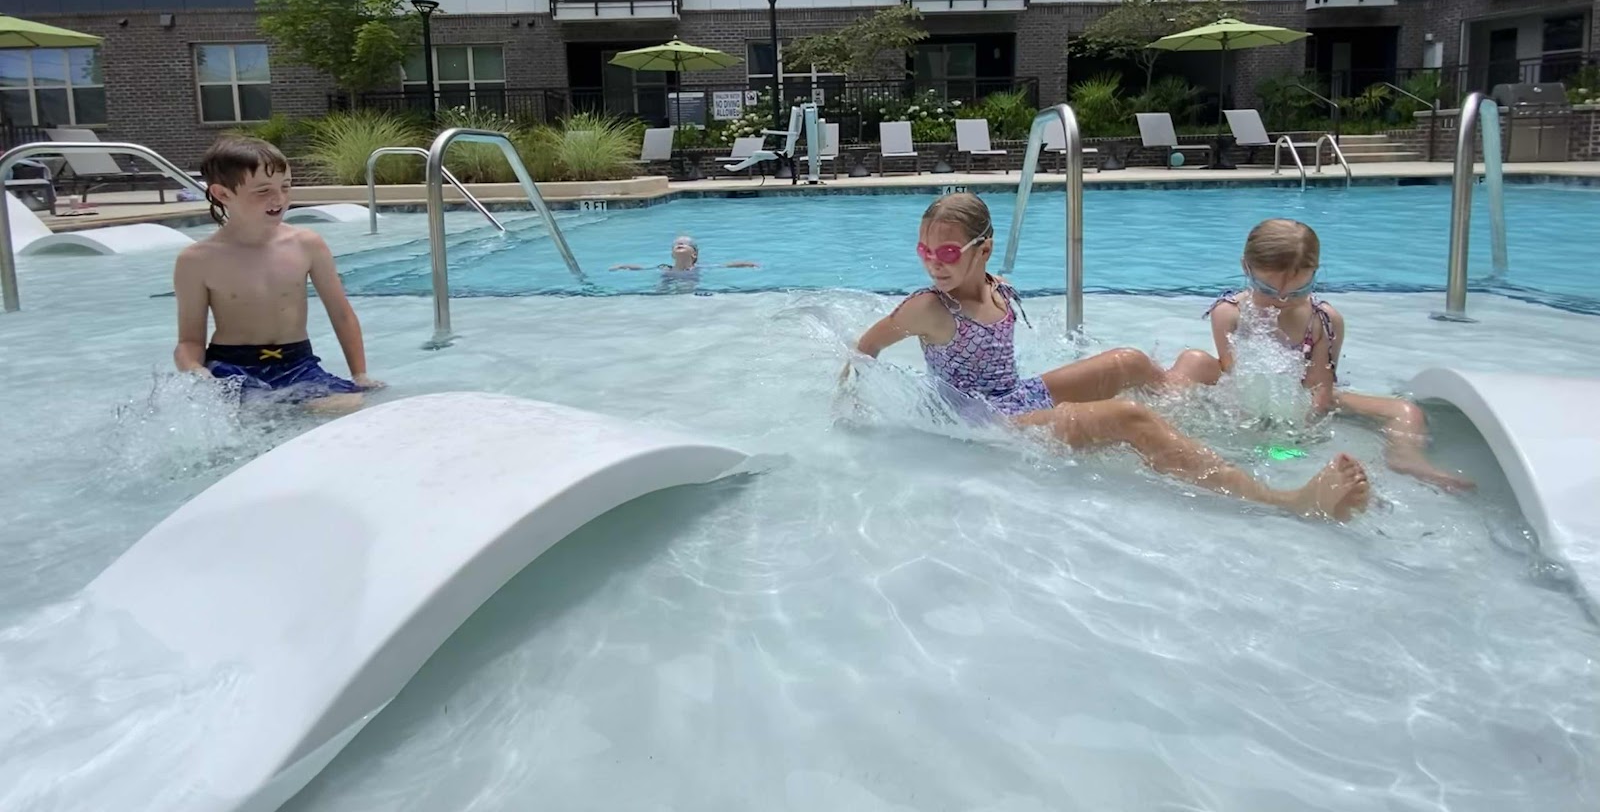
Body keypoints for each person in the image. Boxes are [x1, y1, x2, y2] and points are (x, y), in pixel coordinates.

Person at [849, 194, 1370, 521]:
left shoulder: (996, 286)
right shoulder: (928, 307)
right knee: (1127, 417)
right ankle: (1283, 500)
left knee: (1129, 361)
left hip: (1012, 396)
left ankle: (1190, 427)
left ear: (983, 251)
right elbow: (866, 347)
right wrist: (849, 403)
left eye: (946, 253)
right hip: (985, 420)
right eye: (924, 252)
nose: (933, 264)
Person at [1169, 218, 1473, 492]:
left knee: (1406, 411)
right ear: (1246, 268)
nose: (1282, 300)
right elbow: (1235, 375)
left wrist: (1295, 432)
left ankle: (1406, 457)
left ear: (1314, 274)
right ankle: (1168, 425)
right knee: (1192, 360)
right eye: (1268, 290)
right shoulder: (1229, 312)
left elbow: (1320, 390)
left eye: (1297, 292)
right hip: (1245, 389)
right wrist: (1251, 423)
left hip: (1299, 395)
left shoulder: (1323, 320)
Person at [173, 137, 380, 414]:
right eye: (263, 191)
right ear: (223, 194)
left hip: (298, 363)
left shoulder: (307, 244)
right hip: (232, 366)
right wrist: (198, 373)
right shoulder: (197, 260)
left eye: (285, 187)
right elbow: (189, 342)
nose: (279, 199)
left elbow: (341, 315)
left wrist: (359, 374)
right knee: (259, 411)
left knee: (353, 405)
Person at [610, 235, 759, 274]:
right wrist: (622, 266)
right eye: (676, 244)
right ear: (672, 254)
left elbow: (725, 266)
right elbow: (642, 268)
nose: (680, 244)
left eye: (685, 244)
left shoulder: (698, 268)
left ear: (694, 254)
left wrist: (747, 264)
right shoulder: (665, 268)